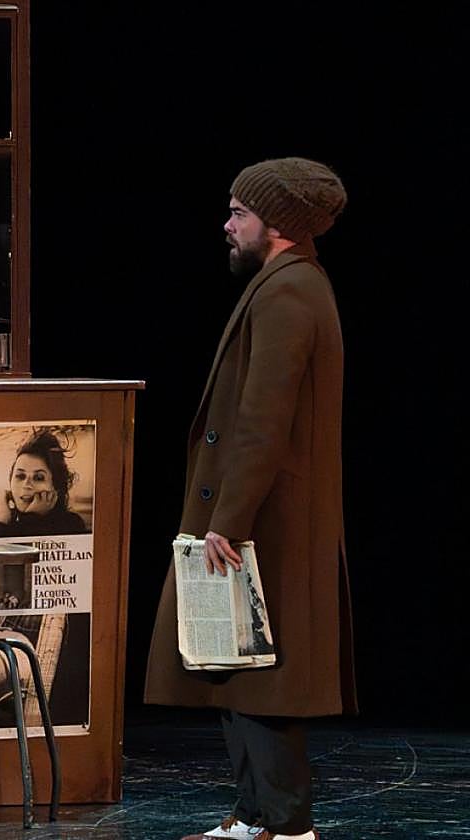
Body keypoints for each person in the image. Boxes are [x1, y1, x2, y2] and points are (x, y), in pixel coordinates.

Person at [144, 157, 357, 840]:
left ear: (280, 224)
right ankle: (255, 816)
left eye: (240, 213)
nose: (228, 225)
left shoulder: (290, 292)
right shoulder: (283, 283)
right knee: (232, 665)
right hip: (250, 515)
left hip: (267, 519)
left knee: (265, 679)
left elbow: (265, 423)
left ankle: (290, 827)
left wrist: (228, 521)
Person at [0, 430, 88, 537]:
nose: (26, 485)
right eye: (20, 476)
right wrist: (3, 520)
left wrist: (32, 518)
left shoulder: (71, 524)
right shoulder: (9, 526)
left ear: (56, 485)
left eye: (38, 478)